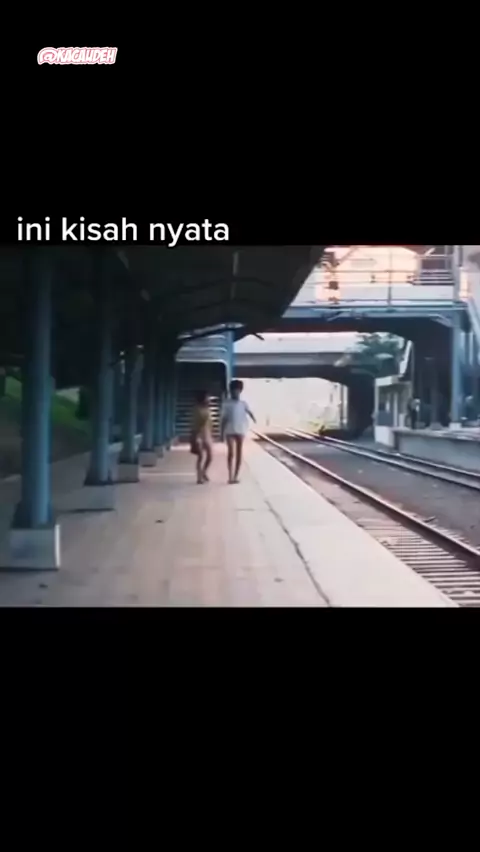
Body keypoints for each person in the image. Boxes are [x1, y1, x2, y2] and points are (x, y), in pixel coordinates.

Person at [220, 380, 256, 484]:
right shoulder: (226, 404)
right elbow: (223, 419)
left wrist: (254, 418)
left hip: (241, 430)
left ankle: (235, 476)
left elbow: (249, 412)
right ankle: (230, 476)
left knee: (239, 453)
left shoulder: (243, 404)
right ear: (230, 391)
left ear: (240, 391)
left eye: (237, 390)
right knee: (231, 453)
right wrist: (221, 432)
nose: (235, 393)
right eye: (233, 391)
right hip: (229, 430)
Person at [190, 390, 213, 484]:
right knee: (200, 456)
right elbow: (196, 424)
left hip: (207, 434)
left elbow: (210, 423)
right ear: (203, 399)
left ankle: (204, 471)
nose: (209, 399)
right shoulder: (197, 410)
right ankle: (199, 477)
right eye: (207, 397)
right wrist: (195, 437)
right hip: (199, 434)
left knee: (210, 456)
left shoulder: (207, 409)